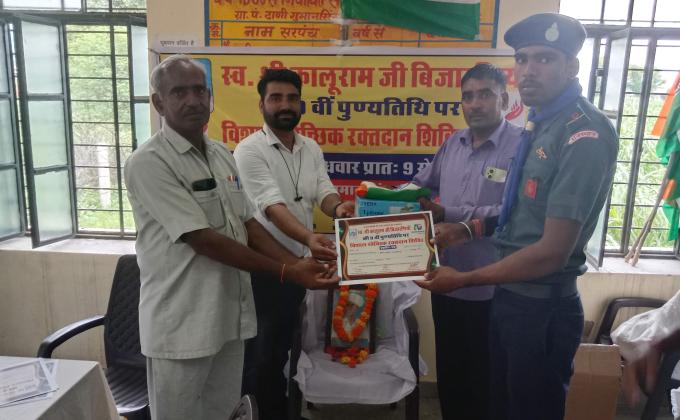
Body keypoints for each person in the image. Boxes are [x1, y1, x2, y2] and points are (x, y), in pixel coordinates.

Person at [415, 13, 619, 420]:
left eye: (544, 58)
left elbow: (551, 252)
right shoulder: (541, 126)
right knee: (496, 404)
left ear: (572, 66)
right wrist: (465, 229)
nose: (529, 70)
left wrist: (465, 278)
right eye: (523, 59)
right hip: (511, 300)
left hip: (540, 306)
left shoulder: (583, 134)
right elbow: (517, 213)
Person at [124, 55, 338, 420]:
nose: (192, 100)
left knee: (226, 411)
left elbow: (248, 224)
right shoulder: (149, 162)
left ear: (210, 97)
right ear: (159, 102)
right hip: (182, 324)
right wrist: (289, 270)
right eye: (179, 92)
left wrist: (296, 264)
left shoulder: (222, 154)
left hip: (228, 317)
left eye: (199, 91)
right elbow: (204, 239)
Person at [233, 68, 354, 420]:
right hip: (266, 269)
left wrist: (338, 208)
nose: (285, 105)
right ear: (262, 105)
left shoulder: (309, 147)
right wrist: (309, 237)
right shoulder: (249, 150)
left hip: (301, 267)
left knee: (286, 350)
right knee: (260, 355)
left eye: (291, 98)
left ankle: (281, 412)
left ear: (301, 103)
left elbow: (323, 190)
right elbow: (271, 207)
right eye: (276, 98)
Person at [411, 63, 522, 420]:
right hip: (446, 281)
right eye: (468, 96)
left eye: (485, 94)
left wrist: (450, 213)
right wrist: (377, 202)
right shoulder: (453, 143)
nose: (475, 104)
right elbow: (421, 186)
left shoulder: (521, 147)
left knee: (487, 383)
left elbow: (516, 212)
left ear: (504, 100)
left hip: (492, 287)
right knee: (452, 377)